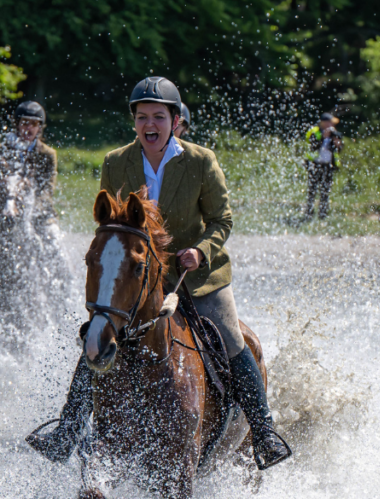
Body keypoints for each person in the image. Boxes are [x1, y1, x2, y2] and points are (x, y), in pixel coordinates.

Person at [26, 77, 291, 471]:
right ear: (134, 121)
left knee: (233, 340)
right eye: (142, 117)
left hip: (197, 276)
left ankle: (263, 431)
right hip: (138, 278)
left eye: (158, 117)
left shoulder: (202, 160)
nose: (150, 124)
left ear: (174, 120)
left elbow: (222, 219)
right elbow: (111, 226)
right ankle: (68, 428)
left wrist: (199, 252)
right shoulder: (117, 162)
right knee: (100, 336)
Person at [0, 101, 64, 338]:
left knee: (56, 249)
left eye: (34, 125)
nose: (28, 129)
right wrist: (9, 203)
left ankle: (64, 303)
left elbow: (47, 190)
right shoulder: (3, 150)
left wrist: (29, 209)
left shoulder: (48, 155)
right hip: (3, 216)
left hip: (38, 217)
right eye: (24, 123)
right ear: (17, 125)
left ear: (40, 128)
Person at [302, 112, 342, 220]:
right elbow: (312, 145)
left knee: (325, 191)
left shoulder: (334, 134)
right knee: (312, 191)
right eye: (329, 122)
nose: (331, 125)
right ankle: (309, 214)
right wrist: (323, 138)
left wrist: (336, 142)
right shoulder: (314, 131)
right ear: (323, 123)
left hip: (328, 166)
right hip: (315, 164)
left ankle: (323, 214)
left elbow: (338, 149)